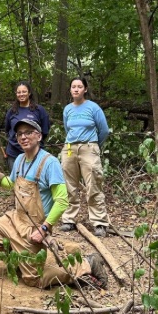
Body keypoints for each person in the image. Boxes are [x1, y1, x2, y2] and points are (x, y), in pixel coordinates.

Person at [0, 118, 107, 289]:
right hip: (15, 219)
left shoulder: (49, 163)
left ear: (38, 136)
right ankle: (18, 258)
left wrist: (44, 229)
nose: (23, 137)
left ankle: (87, 264)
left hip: (34, 228)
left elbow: (62, 200)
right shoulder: (20, 159)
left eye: (28, 133)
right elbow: (10, 183)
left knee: (33, 280)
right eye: (20, 134)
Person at [58, 77, 111, 237]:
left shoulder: (93, 108)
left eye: (79, 87)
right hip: (69, 148)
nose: (76, 89)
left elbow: (104, 130)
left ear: (85, 89)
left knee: (93, 183)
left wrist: (93, 146)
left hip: (89, 146)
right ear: (70, 90)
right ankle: (69, 219)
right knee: (68, 184)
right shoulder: (67, 109)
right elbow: (67, 128)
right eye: (73, 87)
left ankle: (99, 222)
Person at [3, 81, 50, 172]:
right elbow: (8, 129)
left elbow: (44, 131)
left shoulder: (39, 110)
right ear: (16, 94)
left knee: (33, 182)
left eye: (24, 92)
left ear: (29, 93)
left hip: (34, 152)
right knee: (16, 182)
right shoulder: (12, 111)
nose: (21, 94)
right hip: (14, 153)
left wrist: (33, 142)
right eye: (19, 92)